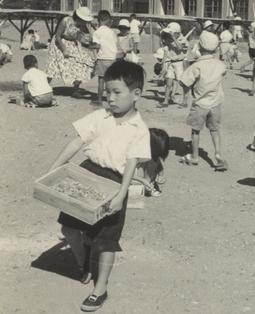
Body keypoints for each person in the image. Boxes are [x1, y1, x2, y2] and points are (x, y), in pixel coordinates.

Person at [50, 60, 151, 312]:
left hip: (114, 182)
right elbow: (76, 142)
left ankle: (100, 288)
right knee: (70, 227)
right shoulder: (99, 116)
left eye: (117, 92)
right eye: (107, 92)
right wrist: (54, 168)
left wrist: (120, 194)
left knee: (106, 240)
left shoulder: (139, 129)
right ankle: (84, 262)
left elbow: (131, 163)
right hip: (87, 172)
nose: (110, 98)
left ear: (136, 94)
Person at [179, 32, 228, 170]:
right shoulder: (220, 65)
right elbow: (224, 73)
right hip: (216, 103)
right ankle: (218, 154)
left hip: (200, 103)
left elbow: (184, 81)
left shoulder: (196, 66)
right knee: (214, 130)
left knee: (195, 131)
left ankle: (194, 156)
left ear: (199, 47)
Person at [45, 7, 96, 98]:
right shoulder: (66, 20)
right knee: (53, 66)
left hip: (73, 44)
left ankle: (76, 89)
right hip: (59, 44)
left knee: (81, 63)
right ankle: (42, 87)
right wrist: (64, 49)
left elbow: (85, 38)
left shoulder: (83, 25)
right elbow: (58, 36)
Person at [90, 10, 118, 106]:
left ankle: (99, 100)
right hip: (113, 58)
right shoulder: (112, 32)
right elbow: (115, 44)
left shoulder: (97, 32)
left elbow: (97, 46)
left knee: (101, 80)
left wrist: (88, 45)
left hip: (102, 58)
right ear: (108, 20)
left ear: (99, 20)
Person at [132, 128, 170, 197]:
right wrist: (143, 181)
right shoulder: (135, 153)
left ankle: (147, 185)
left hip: (142, 178)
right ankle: (145, 187)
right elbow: (125, 172)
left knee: (153, 162)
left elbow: (160, 166)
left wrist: (161, 176)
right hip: (131, 178)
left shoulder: (154, 157)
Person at [159, 22, 187, 107]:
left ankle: (184, 101)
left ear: (177, 33)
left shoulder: (183, 39)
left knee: (182, 83)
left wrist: (173, 38)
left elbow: (180, 48)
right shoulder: (169, 39)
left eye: (172, 33)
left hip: (179, 63)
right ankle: (166, 101)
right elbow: (164, 45)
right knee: (168, 83)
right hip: (171, 63)